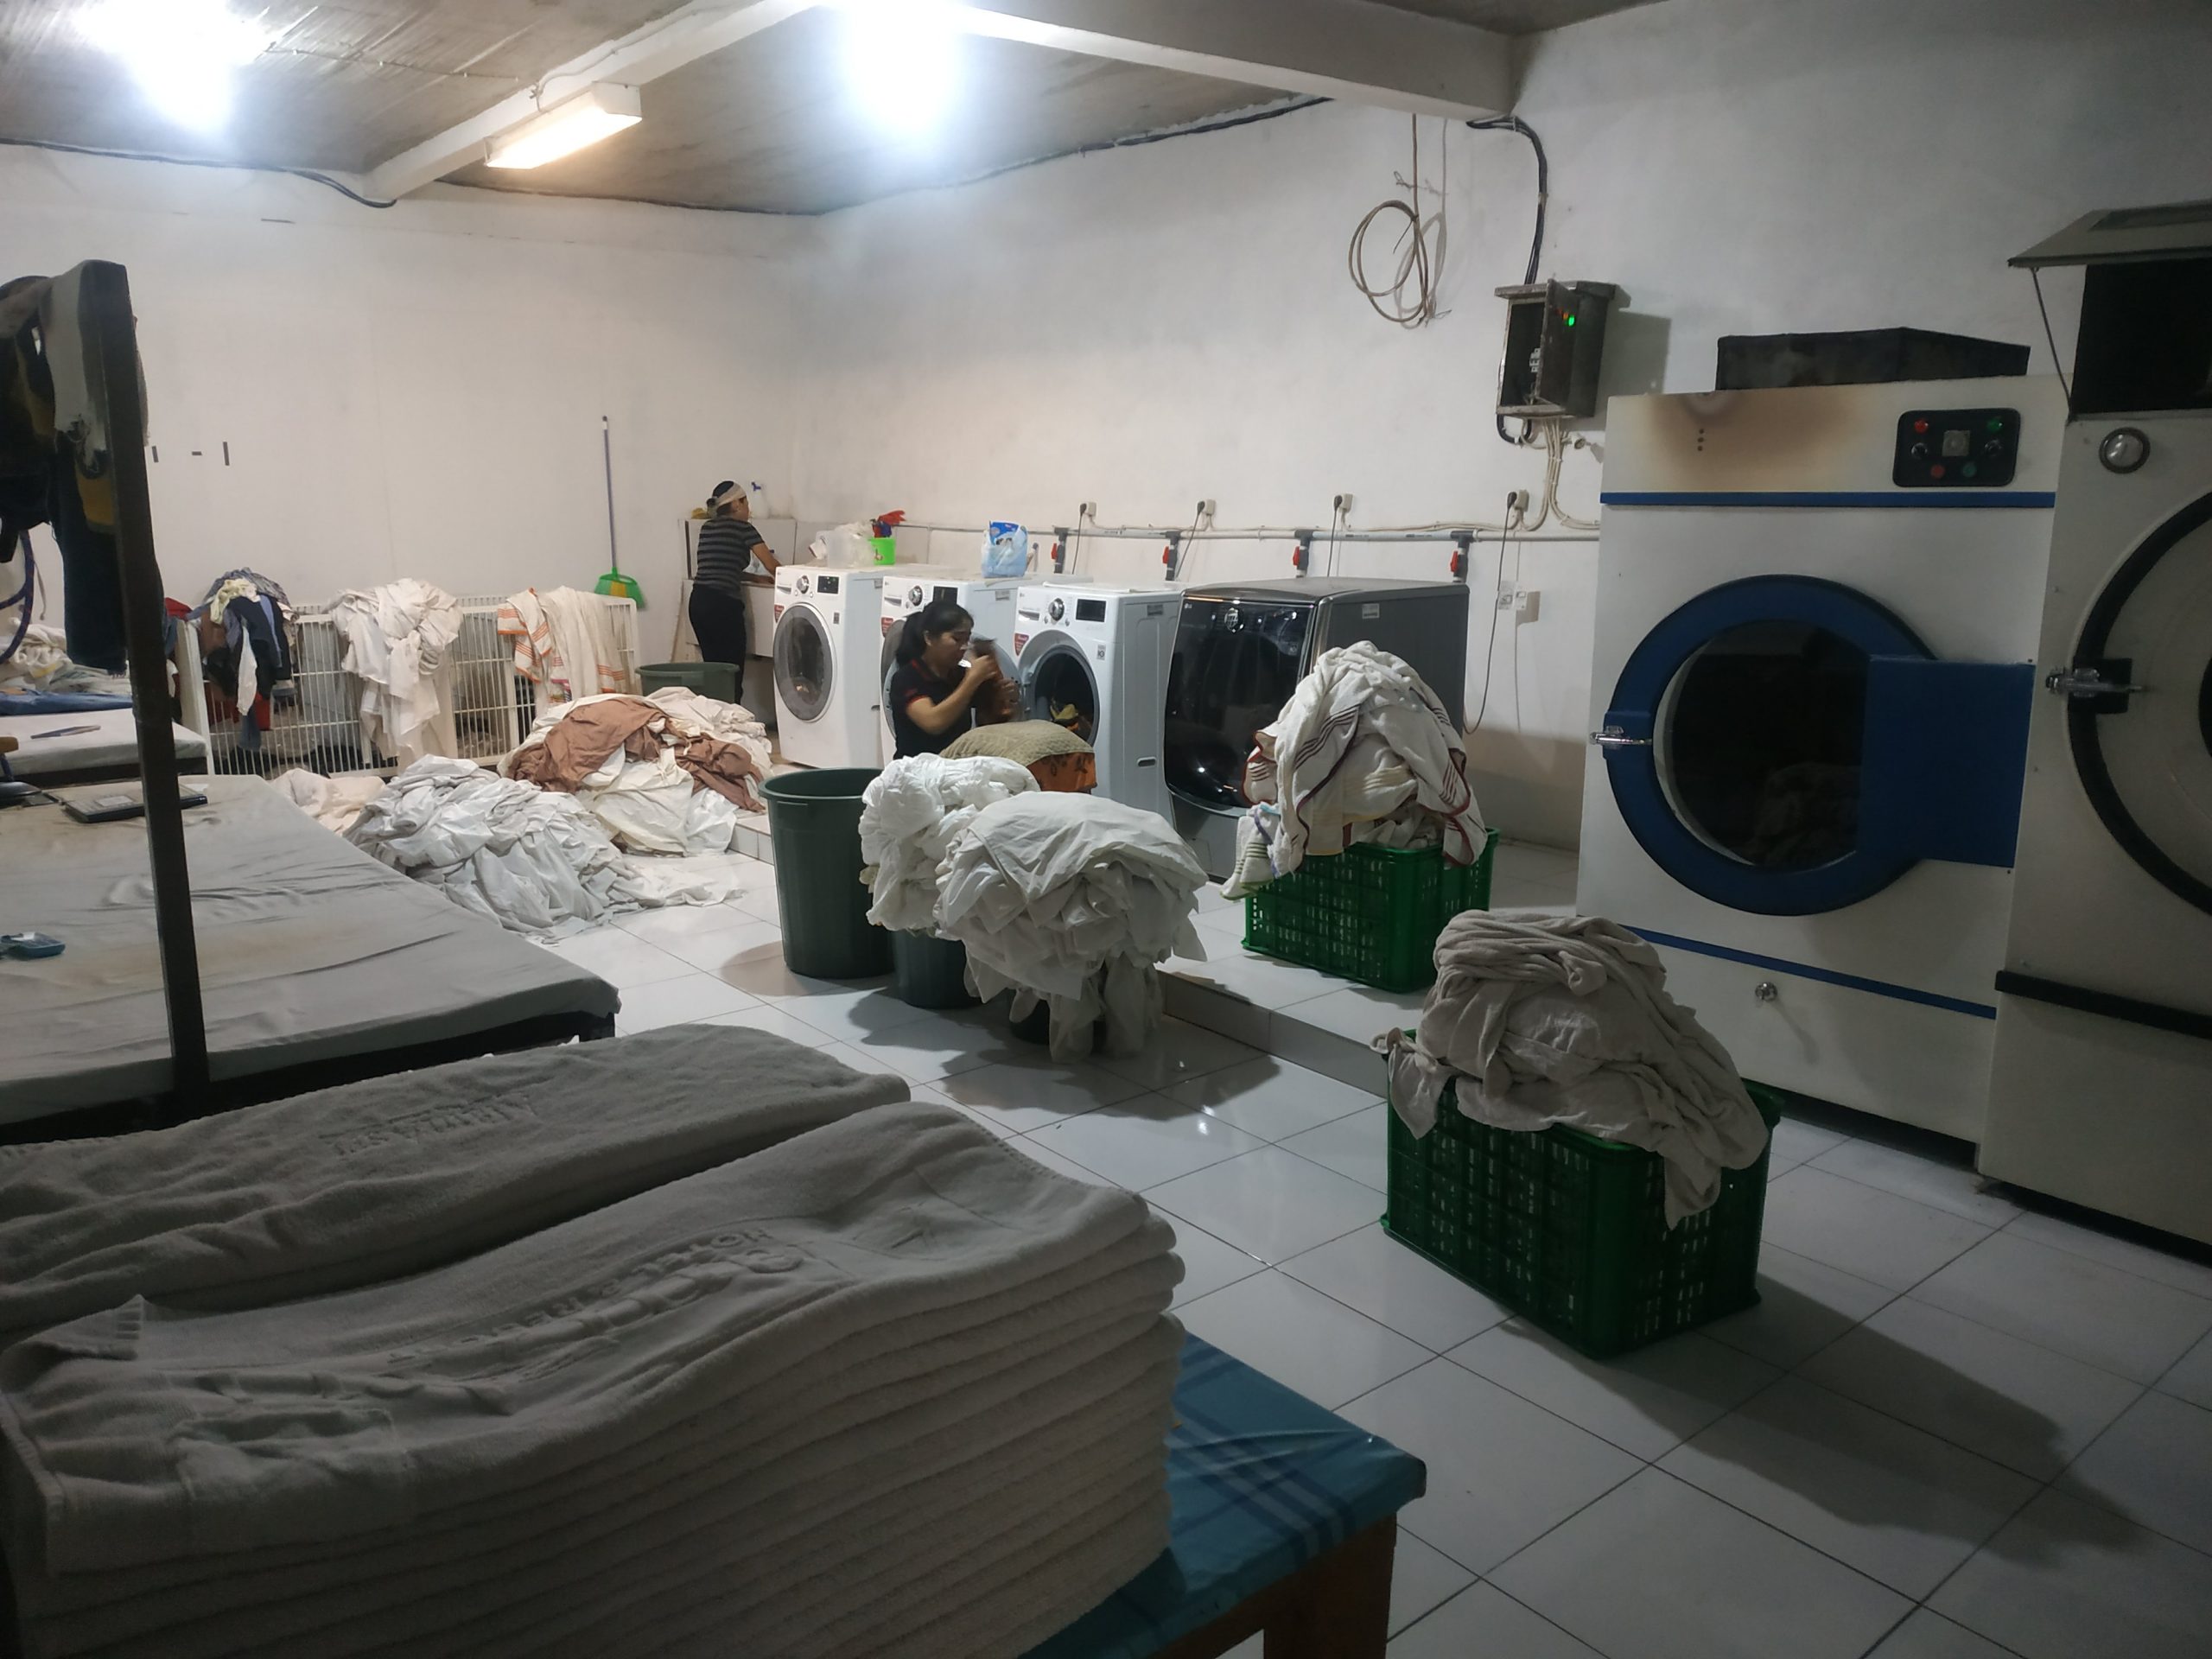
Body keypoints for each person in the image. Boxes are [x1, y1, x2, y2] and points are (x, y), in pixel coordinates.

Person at [885, 599, 1011, 758]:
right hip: (917, 767)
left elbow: (993, 719)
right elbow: (933, 723)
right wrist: (971, 681)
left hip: (955, 762)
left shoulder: (958, 675)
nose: (964, 647)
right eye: (957, 639)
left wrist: (1006, 696)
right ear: (929, 638)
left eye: (967, 639)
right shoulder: (906, 678)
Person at [689, 480, 778, 666]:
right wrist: (796, 579)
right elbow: (771, 565)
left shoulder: (707, 527)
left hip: (698, 602)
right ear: (737, 504)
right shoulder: (744, 528)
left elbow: (719, 566)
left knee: (713, 669)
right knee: (732, 669)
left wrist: (755, 577)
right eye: (747, 503)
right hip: (722, 605)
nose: (749, 510)